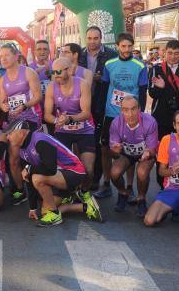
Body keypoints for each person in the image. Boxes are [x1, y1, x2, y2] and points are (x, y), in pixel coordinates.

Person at [7, 120, 100, 227]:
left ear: (21, 133)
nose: (8, 137)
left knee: (37, 178)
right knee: (45, 212)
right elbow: (28, 177)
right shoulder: (22, 150)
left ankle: (56, 214)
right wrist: (33, 208)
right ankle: (84, 206)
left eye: (10, 133)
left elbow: (50, 168)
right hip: (59, 176)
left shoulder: (39, 140)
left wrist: (29, 168)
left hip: (74, 172)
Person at [97, 32, 148, 199]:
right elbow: (104, 88)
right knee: (105, 148)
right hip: (111, 113)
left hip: (131, 113)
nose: (126, 49)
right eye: (123, 46)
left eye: (129, 46)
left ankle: (129, 185)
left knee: (129, 150)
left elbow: (142, 91)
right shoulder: (109, 64)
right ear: (117, 46)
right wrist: (100, 110)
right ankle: (106, 183)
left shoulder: (140, 66)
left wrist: (139, 112)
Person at [44, 57, 95, 202]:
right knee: (62, 167)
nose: (56, 75)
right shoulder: (51, 87)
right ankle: (66, 193)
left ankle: (84, 191)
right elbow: (47, 114)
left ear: (69, 70)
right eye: (54, 72)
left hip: (84, 129)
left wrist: (69, 119)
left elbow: (86, 113)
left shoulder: (82, 84)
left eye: (59, 71)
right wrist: (56, 121)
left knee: (88, 169)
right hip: (63, 130)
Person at [78, 26, 117, 189]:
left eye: (96, 38)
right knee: (82, 140)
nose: (92, 41)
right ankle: (81, 175)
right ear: (85, 38)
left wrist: (103, 79)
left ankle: (96, 178)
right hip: (81, 103)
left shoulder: (111, 54)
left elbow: (115, 79)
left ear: (101, 39)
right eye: (90, 38)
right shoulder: (79, 54)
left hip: (101, 103)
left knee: (99, 143)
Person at [108, 97, 159, 215]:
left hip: (145, 154)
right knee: (114, 172)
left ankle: (141, 199)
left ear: (140, 109)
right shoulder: (116, 122)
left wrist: (148, 153)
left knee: (142, 172)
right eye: (125, 110)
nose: (130, 114)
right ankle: (123, 193)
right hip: (127, 154)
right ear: (121, 110)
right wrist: (115, 150)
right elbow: (114, 149)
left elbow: (152, 149)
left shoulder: (150, 122)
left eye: (133, 109)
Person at [0, 43, 43, 127]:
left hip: (30, 118)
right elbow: (1, 102)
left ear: (16, 57)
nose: (3, 59)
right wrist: (3, 106)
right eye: (1, 56)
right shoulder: (2, 79)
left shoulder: (29, 72)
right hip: (12, 120)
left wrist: (24, 106)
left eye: (7, 55)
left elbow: (38, 97)